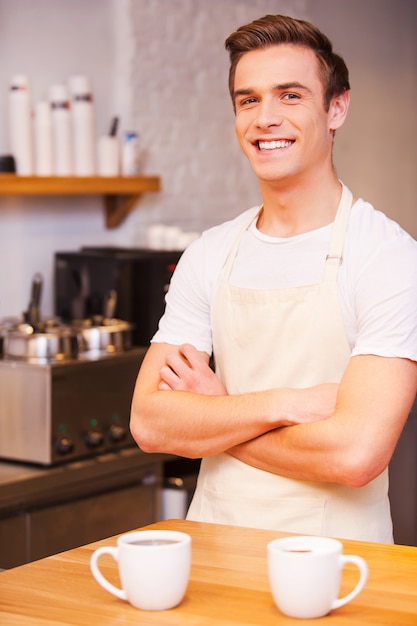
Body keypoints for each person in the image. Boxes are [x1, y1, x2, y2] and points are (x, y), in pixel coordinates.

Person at [130, 14, 417, 542]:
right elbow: (150, 422)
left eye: (290, 96)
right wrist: (286, 402)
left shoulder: (387, 256)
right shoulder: (210, 253)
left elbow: (356, 454)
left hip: (341, 566)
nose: (265, 118)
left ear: (337, 107)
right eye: (248, 99)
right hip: (216, 552)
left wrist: (215, 418)